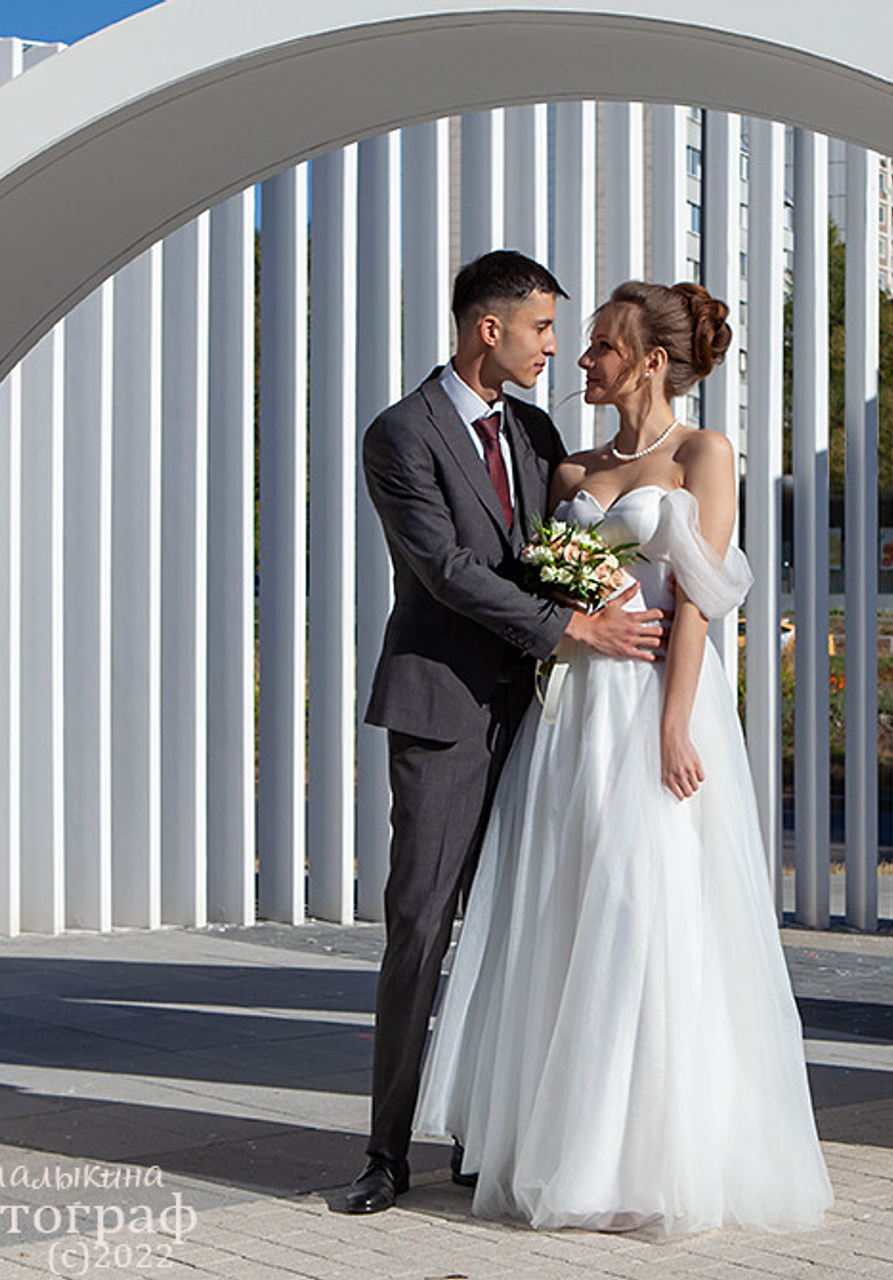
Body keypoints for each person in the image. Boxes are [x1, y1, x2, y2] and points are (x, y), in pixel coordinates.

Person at [414, 280, 834, 1233]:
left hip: (655, 705)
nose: (583, 360)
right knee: (566, 909)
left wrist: (675, 723)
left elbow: (696, 600)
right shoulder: (571, 474)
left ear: (649, 360)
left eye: (601, 345)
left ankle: (655, 1154)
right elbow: (543, 590)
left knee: (651, 909)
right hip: (570, 720)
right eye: (584, 341)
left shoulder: (703, 455)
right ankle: (560, 1144)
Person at [348, 252, 664, 1215]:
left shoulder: (536, 430)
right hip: (443, 712)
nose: (554, 349)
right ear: (491, 329)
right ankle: (387, 1152)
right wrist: (576, 627)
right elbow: (444, 567)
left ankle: (488, 1136)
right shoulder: (400, 434)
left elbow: (551, 551)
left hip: (543, 718)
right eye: (542, 330)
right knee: (421, 926)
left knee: (522, 927)